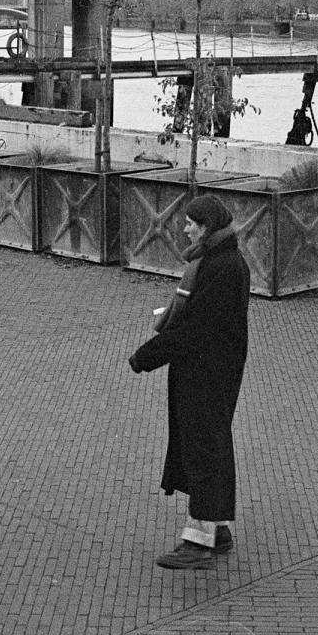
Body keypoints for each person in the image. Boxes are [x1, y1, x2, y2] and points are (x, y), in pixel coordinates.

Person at [128, 194, 250, 570]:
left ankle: (198, 541)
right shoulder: (219, 261)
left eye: (191, 223)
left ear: (207, 226)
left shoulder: (221, 267)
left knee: (202, 450)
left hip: (206, 373)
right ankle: (219, 529)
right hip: (212, 370)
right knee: (211, 445)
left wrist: (148, 355)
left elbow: (197, 328)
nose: (184, 228)